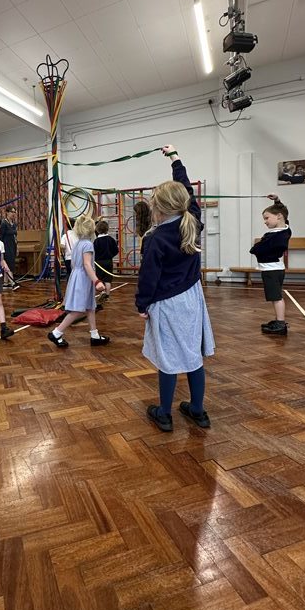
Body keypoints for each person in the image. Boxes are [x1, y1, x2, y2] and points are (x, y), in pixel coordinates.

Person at [136, 145, 214, 432]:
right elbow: (186, 189)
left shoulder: (156, 238)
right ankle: (198, 410)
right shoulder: (192, 220)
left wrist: (142, 304)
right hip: (193, 299)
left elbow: (148, 278)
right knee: (192, 355)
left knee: (167, 357)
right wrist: (175, 158)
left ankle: (165, 414)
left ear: (157, 209)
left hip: (166, 303)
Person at [47, 215, 109, 348]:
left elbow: (75, 264)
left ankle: (94, 335)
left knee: (90, 306)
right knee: (78, 309)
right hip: (84, 278)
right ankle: (56, 333)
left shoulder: (78, 244)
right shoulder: (88, 244)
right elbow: (87, 264)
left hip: (77, 276)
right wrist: (96, 281)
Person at [249, 195, 291, 336]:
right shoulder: (284, 230)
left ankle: (281, 324)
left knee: (276, 297)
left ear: (278, 216)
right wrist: (277, 200)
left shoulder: (277, 236)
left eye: (267, 218)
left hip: (272, 270)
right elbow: (285, 215)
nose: (265, 222)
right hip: (274, 269)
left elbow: (257, 249)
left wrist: (256, 247)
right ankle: (279, 320)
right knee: (275, 297)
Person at [93, 220, 118, 299]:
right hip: (108, 261)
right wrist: (110, 256)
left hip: (99, 263)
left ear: (97, 230)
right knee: (108, 279)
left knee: (99, 278)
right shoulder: (111, 239)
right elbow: (116, 250)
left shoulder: (96, 241)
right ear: (107, 229)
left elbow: (93, 252)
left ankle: (102, 292)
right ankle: (107, 295)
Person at [0, 205, 18, 287]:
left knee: (10, 263)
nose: (13, 214)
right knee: (9, 264)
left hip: (13, 246)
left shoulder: (14, 224)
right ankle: (13, 283)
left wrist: (17, 247)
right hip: (6, 247)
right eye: (12, 212)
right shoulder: (3, 223)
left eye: (15, 212)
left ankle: (5, 282)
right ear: (7, 212)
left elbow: (15, 237)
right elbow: (0, 237)